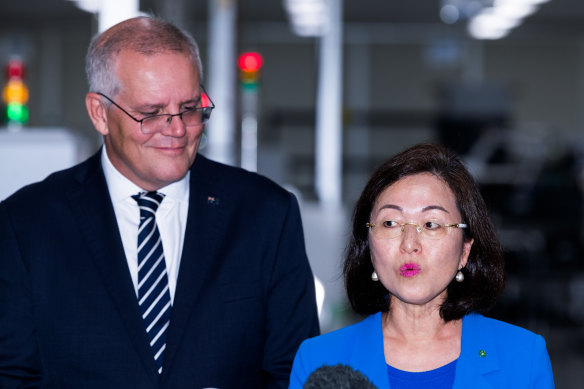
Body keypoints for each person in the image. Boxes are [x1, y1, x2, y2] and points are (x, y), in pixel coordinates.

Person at [0, 16, 319, 388]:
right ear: (99, 113)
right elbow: (12, 375)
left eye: (189, 108)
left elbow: (296, 371)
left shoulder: (265, 215)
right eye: (151, 113)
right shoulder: (27, 224)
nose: (178, 129)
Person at [289, 143, 554, 389]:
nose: (409, 244)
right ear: (369, 246)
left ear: (465, 250)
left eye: (431, 224)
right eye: (391, 223)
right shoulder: (319, 359)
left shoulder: (523, 358)